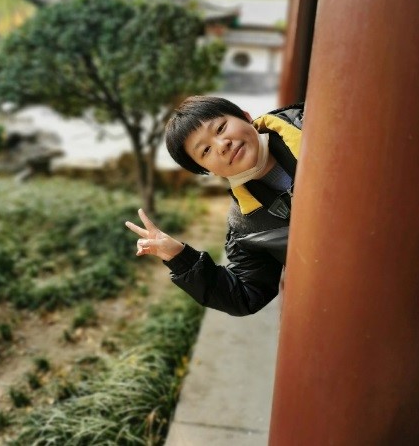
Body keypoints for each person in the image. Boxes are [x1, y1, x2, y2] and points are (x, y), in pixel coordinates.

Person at [125, 95, 304, 316]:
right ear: (209, 171)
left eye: (220, 128)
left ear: (246, 116)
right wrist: (180, 258)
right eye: (205, 151)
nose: (222, 145)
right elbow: (245, 295)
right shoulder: (247, 225)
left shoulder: (312, 123)